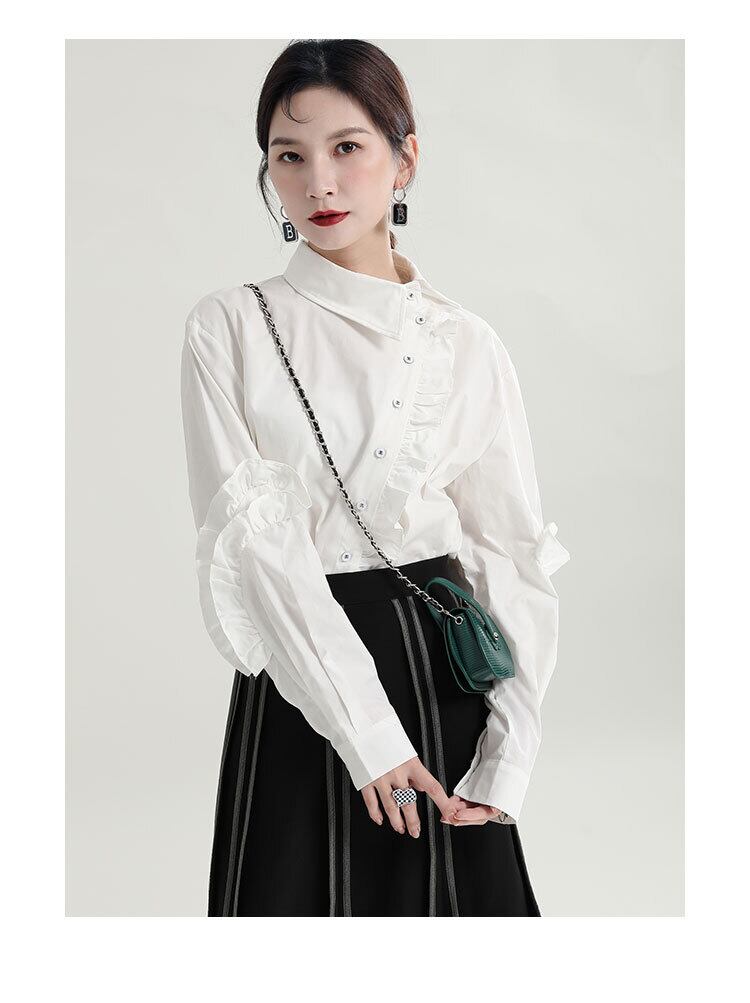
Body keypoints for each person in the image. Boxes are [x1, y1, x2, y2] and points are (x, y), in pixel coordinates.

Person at [180, 39, 570, 918]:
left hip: (444, 673)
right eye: (289, 156)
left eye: (347, 147)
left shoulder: (466, 341)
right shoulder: (230, 327)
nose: (318, 181)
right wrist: (366, 734)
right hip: (304, 679)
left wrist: (508, 755)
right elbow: (258, 550)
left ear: (405, 158)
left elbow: (508, 555)